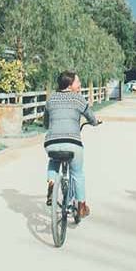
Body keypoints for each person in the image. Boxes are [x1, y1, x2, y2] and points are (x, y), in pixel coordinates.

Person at [44, 70, 100, 218]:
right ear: (69, 85)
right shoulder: (78, 99)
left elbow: (45, 123)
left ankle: (51, 183)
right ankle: (81, 206)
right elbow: (91, 117)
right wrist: (95, 123)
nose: (80, 84)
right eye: (78, 82)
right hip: (73, 143)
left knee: (53, 159)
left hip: (52, 142)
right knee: (77, 173)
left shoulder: (51, 99)